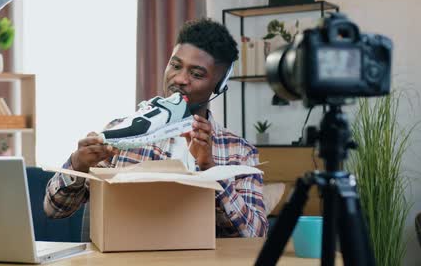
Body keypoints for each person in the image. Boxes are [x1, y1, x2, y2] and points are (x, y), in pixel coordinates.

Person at [44, 18, 268, 237]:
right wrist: (78, 164)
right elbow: (54, 209)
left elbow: (255, 235)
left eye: (197, 74)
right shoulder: (121, 133)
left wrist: (210, 168)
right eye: (175, 65)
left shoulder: (240, 152)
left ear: (218, 86)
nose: (180, 79)